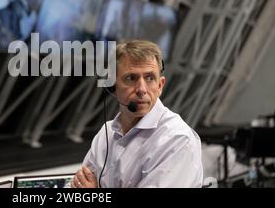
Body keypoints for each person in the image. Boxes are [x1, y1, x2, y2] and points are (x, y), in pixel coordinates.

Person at [71, 40, 203, 188]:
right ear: (113, 86)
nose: (141, 89)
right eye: (131, 78)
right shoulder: (106, 133)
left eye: (150, 78)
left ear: (160, 86)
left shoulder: (177, 139)